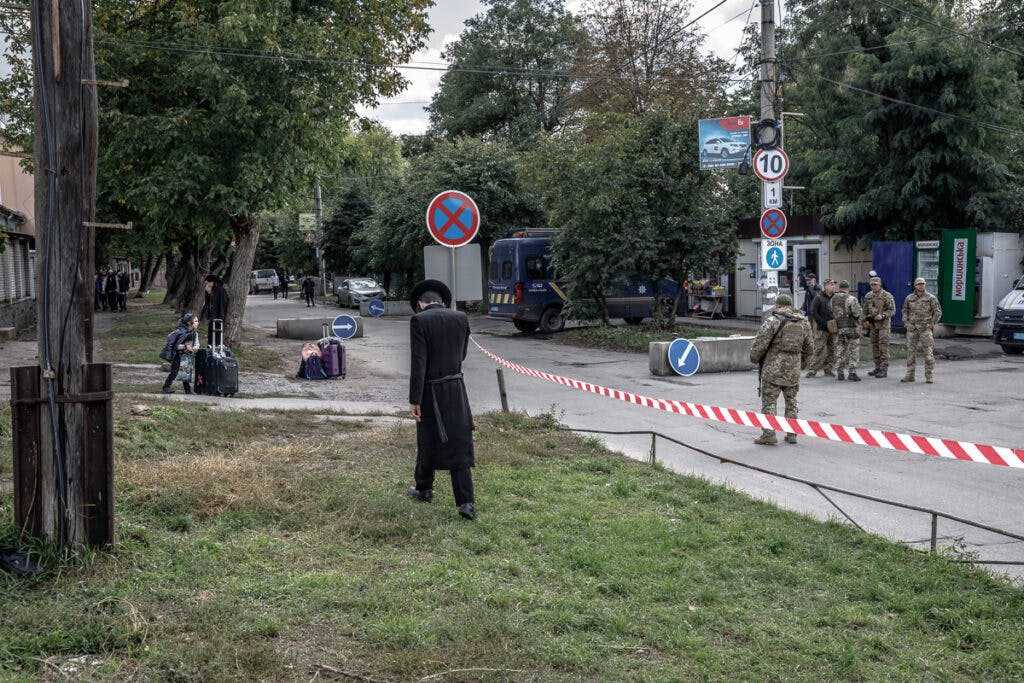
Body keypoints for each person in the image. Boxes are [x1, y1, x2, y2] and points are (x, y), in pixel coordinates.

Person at [406, 279, 477, 519]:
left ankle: (425, 488)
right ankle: (466, 502)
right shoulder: (461, 318)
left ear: (419, 303)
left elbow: (419, 363)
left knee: (427, 437)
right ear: (442, 301)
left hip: (431, 390)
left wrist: (414, 399)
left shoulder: (419, 321)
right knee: (459, 440)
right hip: (457, 387)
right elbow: (463, 354)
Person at [749, 293, 813, 445]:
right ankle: (791, 434)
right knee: (791, 401)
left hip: (773, 369)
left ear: (777, 305)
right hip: (793, 370)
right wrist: (801, 365)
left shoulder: (772, 321)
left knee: (769, 401)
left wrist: (754, 358)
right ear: (790, 306)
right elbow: (809, 348)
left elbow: (760, 344)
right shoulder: (804, 323)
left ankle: (769, 434)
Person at [901, 276, 943, 383]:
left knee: (928, 354)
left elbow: (937, 312)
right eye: (919, 284)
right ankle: (910, 375)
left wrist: (932, 324)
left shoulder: (931, 298)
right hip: (912, 329)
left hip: (925, 329)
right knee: (911, 353)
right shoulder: (909, 298)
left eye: (923, 283)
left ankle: (929, 376)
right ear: (915, 286)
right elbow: (905, 310)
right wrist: (906, 323)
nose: (921, 285)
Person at [861, 276, 896, 377]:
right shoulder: (868, 296)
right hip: (872, 326)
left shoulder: (887, 296)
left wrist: (883, 315)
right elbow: (864, 311)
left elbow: (892, 310)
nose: (873, 286)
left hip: (883, 326)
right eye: (871, 284)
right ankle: (877, 367)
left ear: (880, 285)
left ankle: (884, 369)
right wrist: (865, 319)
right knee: (875, 346)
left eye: (875, 284)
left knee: (883, 347)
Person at [830, 280, 863, 381]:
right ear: (847, 288)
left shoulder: (832, 299)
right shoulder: (851, 299)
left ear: (839, 288)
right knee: (853, 350)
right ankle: (852, 372)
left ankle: (840, 373)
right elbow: (857, 314)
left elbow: (831, 311)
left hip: (838, 328)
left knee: (840, 350)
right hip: (851, 328)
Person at [805, 278, 836, 378]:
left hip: (834, 329)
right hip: (822, 329)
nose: (833, 286)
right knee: (818, 349)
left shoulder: (836, 298)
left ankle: (828, 369)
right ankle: (812, 370)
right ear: (826, 286)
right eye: (831, 285)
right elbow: (813, 312)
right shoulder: (819, 298)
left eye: (834, 285)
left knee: (832, 349)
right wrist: (822, 323)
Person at [161, 313, 200, 394]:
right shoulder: (179, 332)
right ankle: (166, 388)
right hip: (178, 355)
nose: (197, 323)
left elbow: (197, 344)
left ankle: (187, 390)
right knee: (174, 371)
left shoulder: (194, 333)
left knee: (185, 372)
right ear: (189, 323)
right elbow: (175, 346)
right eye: (195, 321)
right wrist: (185, 347)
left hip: (187, 355)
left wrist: (194, 348)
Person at [201, 274, 229, 347]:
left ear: (212, 282)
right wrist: (208, 293)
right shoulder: (212, 290)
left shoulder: (220, 290)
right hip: (212, 316)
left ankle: (216, 347)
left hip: (218, 316)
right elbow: (208, 302)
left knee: (217, 334)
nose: (206, 285)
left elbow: (222, 303)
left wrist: (221, 316)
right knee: (211, 333)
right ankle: (211, 347)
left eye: (207, 283)